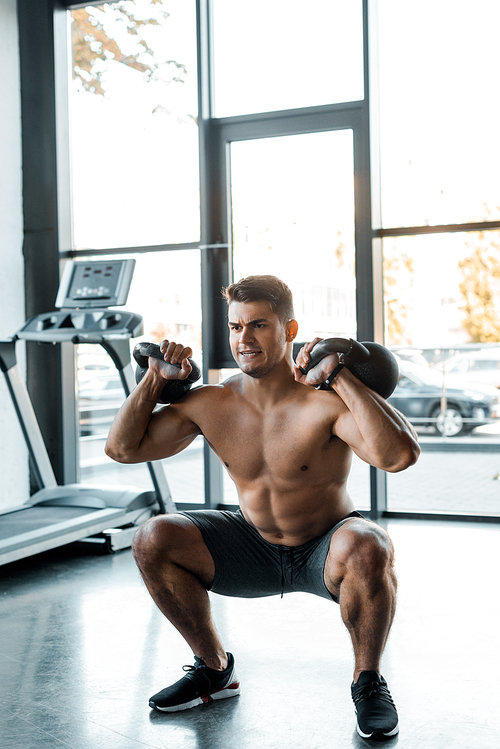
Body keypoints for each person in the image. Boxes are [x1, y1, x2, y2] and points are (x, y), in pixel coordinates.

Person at [105, 275, 420, 740]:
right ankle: (214, 671)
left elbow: (398, 456)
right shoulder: (212, 401)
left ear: (289, 331)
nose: (244, 339)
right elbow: (123, 449)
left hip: (325, 548)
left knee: (369, 542)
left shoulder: (325, 403)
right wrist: (155, 378)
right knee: (154, 535)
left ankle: (367, 683)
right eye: (235, 327)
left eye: (258, 325)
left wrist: (339, 375)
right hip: (251, 543)